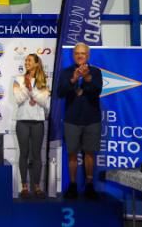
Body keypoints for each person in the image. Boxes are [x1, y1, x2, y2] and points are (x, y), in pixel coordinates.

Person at [57, 42, 102, 199]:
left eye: (83, 53)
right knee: (72, 155)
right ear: (73, 55)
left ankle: (89, 185)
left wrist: (87, 77)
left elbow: (97, 91)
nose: (80, 56)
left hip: (92, 120)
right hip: (72, 120)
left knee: (89, 154)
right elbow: (60, 93)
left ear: (88, 56)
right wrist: (73, 79)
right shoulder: (66, 72)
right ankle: (73, 185)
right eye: (77, 53)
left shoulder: (95, 72)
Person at [13, 53, 50, 198]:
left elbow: (43, 101)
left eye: (29, 60)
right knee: (24, 153)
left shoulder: (44, 81)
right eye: (25, 60)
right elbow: (18, 99)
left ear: (36, 63)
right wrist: (26, 87)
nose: (26, 62)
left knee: (36, 155)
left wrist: (31, 88)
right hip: (22, 121)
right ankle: (24, 186)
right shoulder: (18, 79)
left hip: (37, 122)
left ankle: (37, 186)